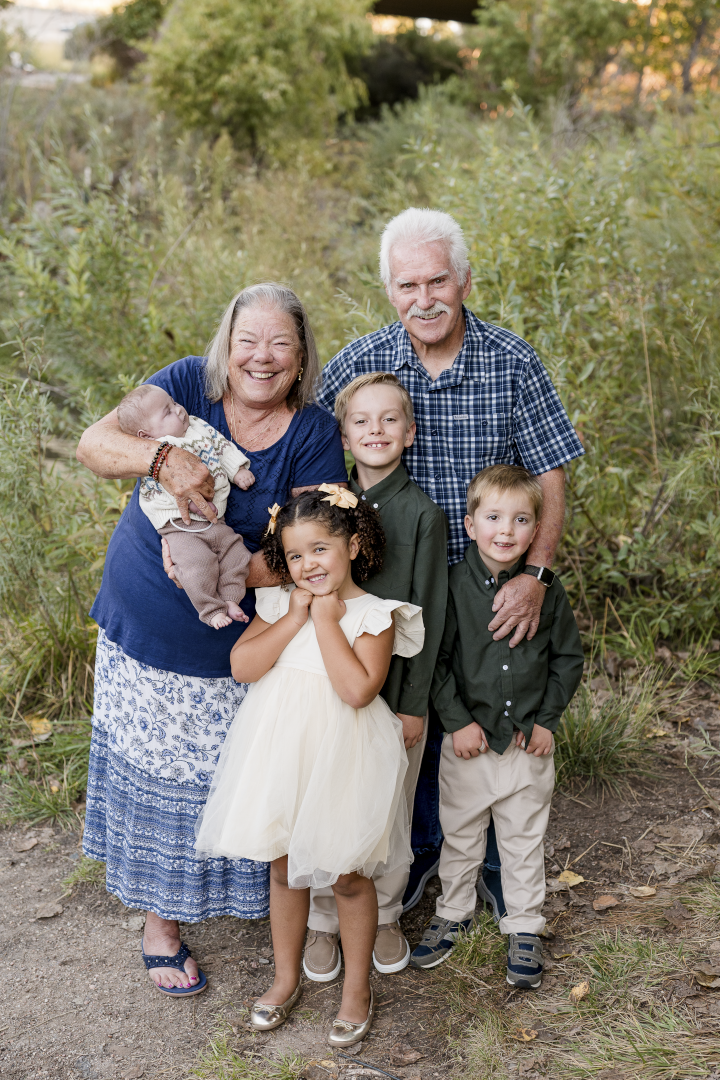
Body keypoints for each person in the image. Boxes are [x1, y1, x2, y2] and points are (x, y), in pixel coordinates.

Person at [76, 283, 348, 996]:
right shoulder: (184, 384)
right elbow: (95, 444)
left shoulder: (313, 433)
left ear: (301, 357)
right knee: (156, 776)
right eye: (247, 340)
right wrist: (162, 460)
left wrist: (223, 567)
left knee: (223, 776)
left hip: (234, 641)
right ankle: (160, 924)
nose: (261, 357)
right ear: (226, 345)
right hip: (143, 615)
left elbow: (312, 545)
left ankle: (250, 905)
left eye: (280, 344)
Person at [318, 207, 585, 919]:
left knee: (490, 712)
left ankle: (495, 866)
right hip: (389, 587)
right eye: (408, 285)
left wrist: (536, 576)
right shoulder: (361, 365)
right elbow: (309, 444)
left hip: (488, 586)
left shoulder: (511, 361)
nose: (424, 298)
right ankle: (413, 857)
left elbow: (551, 471)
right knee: (401, 725)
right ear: (390, 291)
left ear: (464, 280)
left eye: (437, 280)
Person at [195, 488, 424, 1045]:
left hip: (343, 757)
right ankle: (284, 978)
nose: (308, 565)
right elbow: (243, 667)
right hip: (280, 754)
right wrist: (297, 615)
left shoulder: (374, 615)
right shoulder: (279, 603)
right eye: (296, 555)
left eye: (320, 549)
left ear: (354, 546)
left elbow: (357, 691)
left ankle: (356, 990)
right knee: (282, 867)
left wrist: (325, 621)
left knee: (347, 874)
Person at [410, 465, 584, 986]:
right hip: (470, 744)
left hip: (529, 745)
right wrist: (457, 722)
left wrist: (548, 720)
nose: (506, 530)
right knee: (461, 836)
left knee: (523, 839)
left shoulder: (547, 592)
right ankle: (453, 912)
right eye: (493, 518)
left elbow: (567, 659)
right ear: (470, 524)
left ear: (536, 530)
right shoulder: (451, 587)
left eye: (520, 520)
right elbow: (436, 662)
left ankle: (525, 925)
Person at [303, 373, 448, 982]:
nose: (376, 431)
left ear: (409, 433)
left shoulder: (423, 516)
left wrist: (413, 704)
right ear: (344, 435)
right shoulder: (325, 508)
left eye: (389, 420)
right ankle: (322, 918)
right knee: (322, 797)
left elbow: (430, 615)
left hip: (392, 695)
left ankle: (386, 913)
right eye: (361, 421)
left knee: (388, 806)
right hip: (327, 685)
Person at [117, 384, 254, 629]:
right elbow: (163, 491)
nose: (179, 410)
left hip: (217, 522)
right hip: (182, 527)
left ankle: (231, 598)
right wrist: (194, 505)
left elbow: (222, 447)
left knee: (237, 554)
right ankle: (211, 609)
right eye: (167, 412)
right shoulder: (156, 452)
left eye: (174, 402)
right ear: (146, 436)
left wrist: (237, 470)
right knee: (197, 565)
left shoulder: (198, 427)